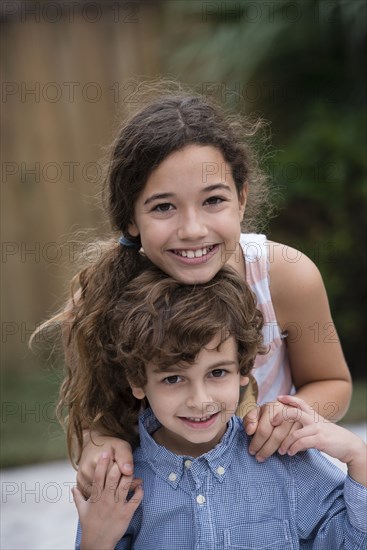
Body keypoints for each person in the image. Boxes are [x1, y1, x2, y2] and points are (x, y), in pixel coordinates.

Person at [51, 84, 352, 487]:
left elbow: (334, 384)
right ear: (130, 219)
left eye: (213, 200)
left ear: (241, 199)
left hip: (275, 481)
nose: (192, 230)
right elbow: (97, 417)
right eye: (163, 207)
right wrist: (99, 442)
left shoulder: (284, 275)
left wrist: (286, 414)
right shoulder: (99, 300)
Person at [72, 266, 366, 549]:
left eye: (217, 373)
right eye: (173, 378)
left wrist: (359, 457)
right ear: (138, 380)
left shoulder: (286, 464)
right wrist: (96, 544)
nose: (200, 401)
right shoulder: (119, 484)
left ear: (243, 368)